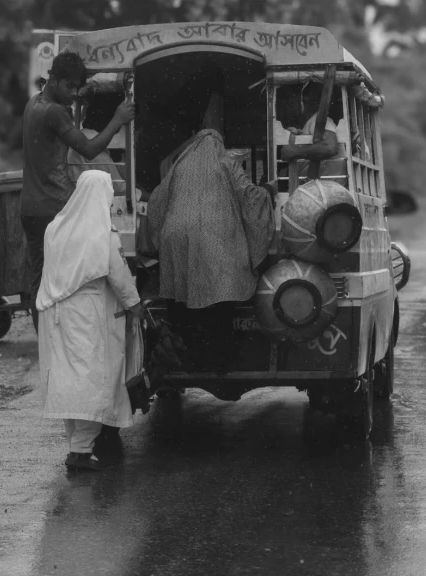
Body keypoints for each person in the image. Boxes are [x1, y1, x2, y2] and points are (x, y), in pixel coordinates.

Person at [21, 50, 136, 331]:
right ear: (54, 80)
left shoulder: (34, 103)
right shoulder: (55, 112)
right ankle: (58, 340)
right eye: (69, 86)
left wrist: (76, 96)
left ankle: (46, 342)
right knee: (64, 283)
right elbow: (89, 149)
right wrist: (118, 119)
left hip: (31, 207)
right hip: (53, 208)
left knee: (41, 280)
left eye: (77, 88)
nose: (73, 93)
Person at [37, 170, 144, 472]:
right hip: (89, 314)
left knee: (69, 380)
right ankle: (81, 450)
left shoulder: (55, 228)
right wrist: (136, 306)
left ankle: (77, 445)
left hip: (55, 314)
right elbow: (119, 276)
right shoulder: (103, 234)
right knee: (93, 380)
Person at [147, 93, 277, 312]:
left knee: (183, 299)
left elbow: (156, 200)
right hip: (214, 238)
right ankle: (214, 326)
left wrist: (164, 231)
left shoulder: (178, 166)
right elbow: (250, 198)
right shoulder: (226, 163)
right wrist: (268, 190)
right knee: (219, 293)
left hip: (175, 237)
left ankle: (184, 329)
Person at [276, 82, 342, 189]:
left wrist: (294, 152)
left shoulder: (318, 120)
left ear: (305, 100)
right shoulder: (313, 123)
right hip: (321, 188)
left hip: (322, 190)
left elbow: (330, 147)